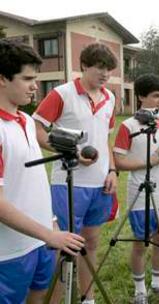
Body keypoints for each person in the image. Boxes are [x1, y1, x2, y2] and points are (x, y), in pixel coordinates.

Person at [33, 43, 118, 304]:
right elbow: (37, 130)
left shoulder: (110, 98)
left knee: (90, 243)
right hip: (68, 182)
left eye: (109, 70)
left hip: (101, 183)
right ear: (84, 65)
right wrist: (70, 151)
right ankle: (55, 300)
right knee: (64, 247)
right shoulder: (62, 94)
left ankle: (87, 298)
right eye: (99, 68)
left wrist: (113, 170)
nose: (105, 74)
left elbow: (106, 140)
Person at [0, 39, 84, 304]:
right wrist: (49, 234)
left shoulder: (25, 121)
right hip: (9, 252)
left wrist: (51, 223)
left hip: (42, 240)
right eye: (27, 79)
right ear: (2, 78)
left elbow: (31, 179)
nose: (35, 86)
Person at [113, 74, 159, 304]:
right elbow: (118, 161)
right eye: (155, 96)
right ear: (141, 96)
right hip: (140, 192)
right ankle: (140, 291)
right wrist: (149, 162)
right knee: (141, 243)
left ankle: (158, 285)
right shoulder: (128, 126)